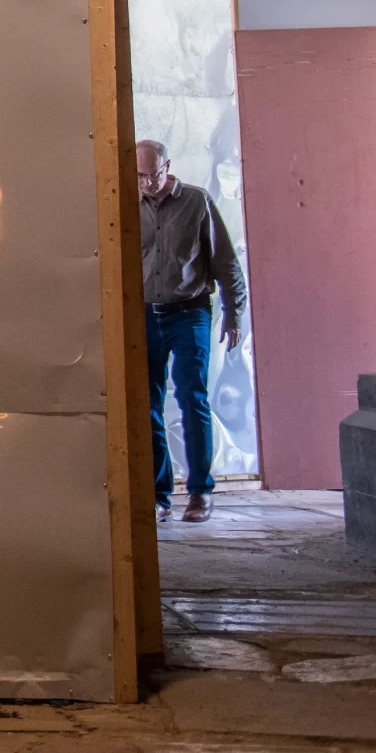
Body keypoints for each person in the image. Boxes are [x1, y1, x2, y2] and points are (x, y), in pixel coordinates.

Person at [137, 139, 246, 524]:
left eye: (154, 173)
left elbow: (225, 260)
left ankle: (200, 492)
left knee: (192, 398)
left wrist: (234, 314)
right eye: (140, 175)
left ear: (168, 166)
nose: (147, 182)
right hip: (144, 315)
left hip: (190, 312)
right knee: (147, 406)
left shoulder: (196, 202)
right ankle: (158, 496)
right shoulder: (126, 206)